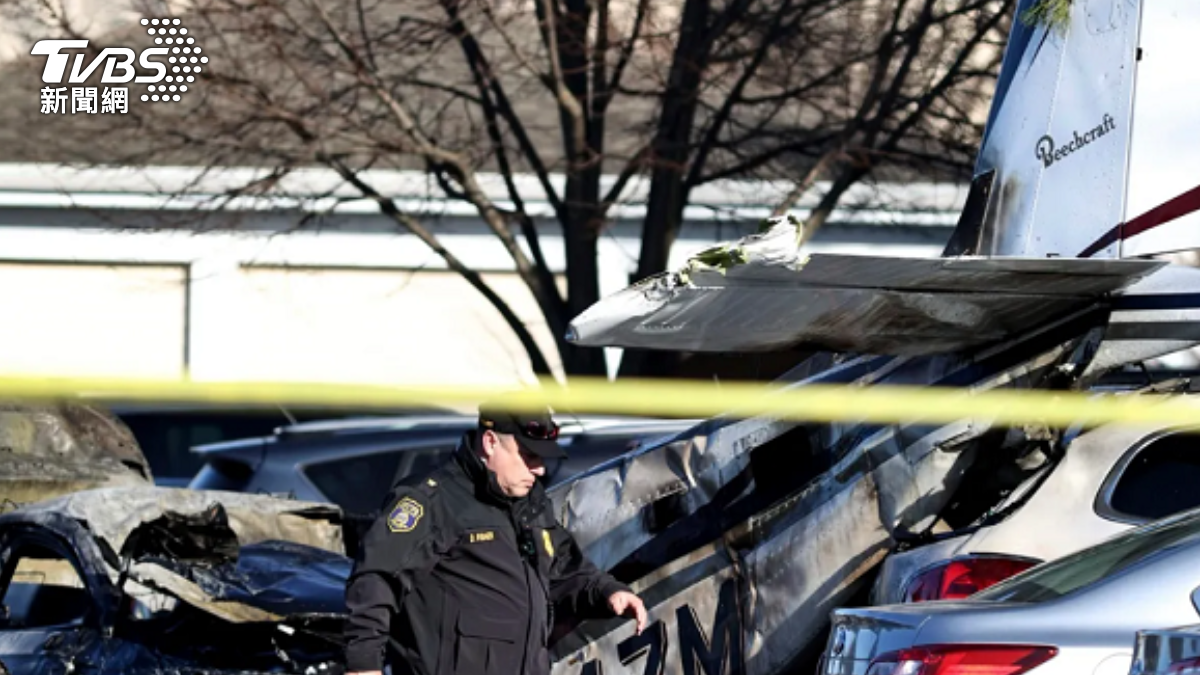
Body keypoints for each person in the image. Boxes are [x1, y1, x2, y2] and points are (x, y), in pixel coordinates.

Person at [343, 399, 648, 675]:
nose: (540, 469)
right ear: (490, 442)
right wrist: (363, 664)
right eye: (529, 456)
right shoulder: (433, 500)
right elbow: (375, 579)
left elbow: (563, 568)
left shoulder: (529, 503)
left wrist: (606, 591)